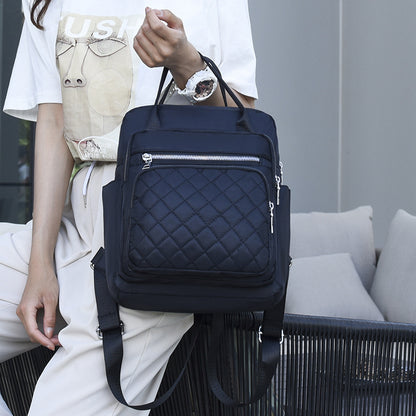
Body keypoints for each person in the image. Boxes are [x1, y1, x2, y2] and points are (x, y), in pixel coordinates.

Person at [0, 0, 257, 414]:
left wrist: (187, 66)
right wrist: (39, 265)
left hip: (163, 225)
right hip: (78, 214)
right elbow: (54, 121)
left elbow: (246, 118)